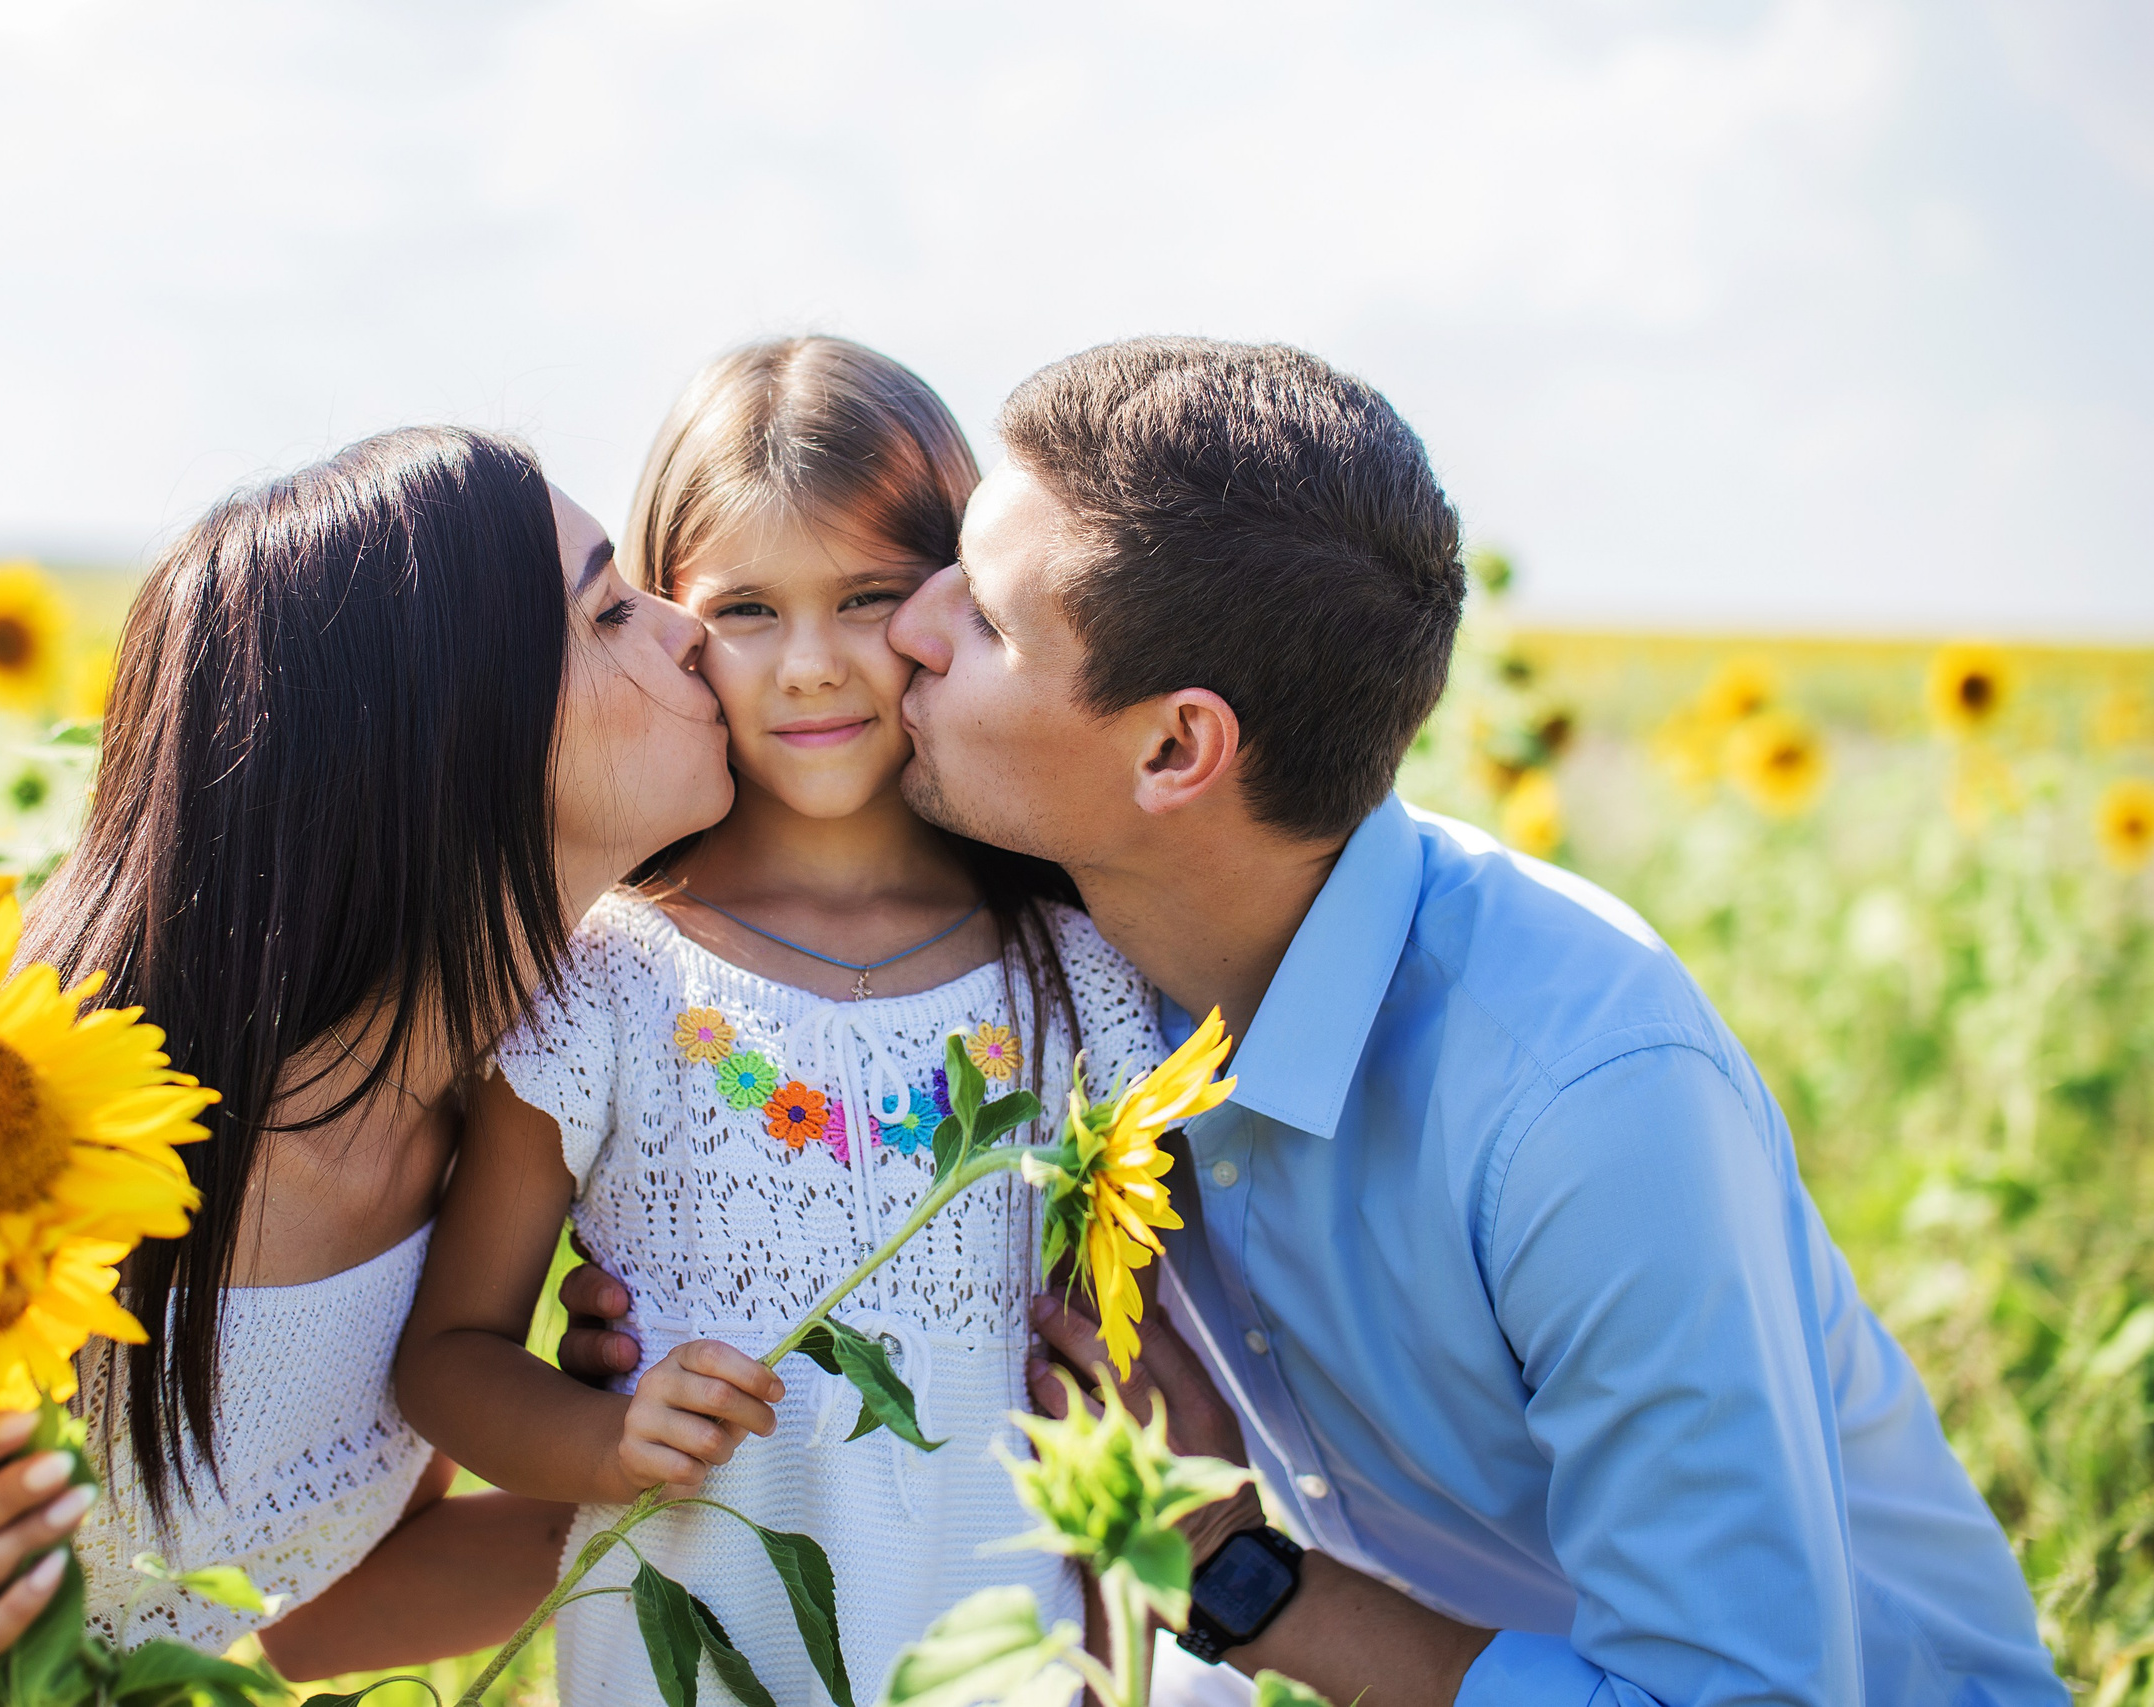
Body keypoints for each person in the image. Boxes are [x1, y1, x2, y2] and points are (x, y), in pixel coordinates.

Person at [884, 337, 2066, 1706]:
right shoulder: (1078, 969)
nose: (907, 624)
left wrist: (1224, 1562)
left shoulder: (1583, 1100)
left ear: (1174, 750)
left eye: (981, 615)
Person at [0, 425, 727, 1705]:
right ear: (444, 736)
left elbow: (305, 1596)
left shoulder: (508, 1126)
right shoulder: (20, 1115)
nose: (687, 627)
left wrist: (660, 1477)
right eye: (608, 611)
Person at [393, 337, 1170, 1707]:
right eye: (746, 607)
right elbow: (451, 1360)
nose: (810, 664)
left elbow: (1128, 1390)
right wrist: (605, 1435)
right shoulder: (608, 982)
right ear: (674, 621)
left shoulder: (1082, 978)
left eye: (868, 595)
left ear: (951, 602)